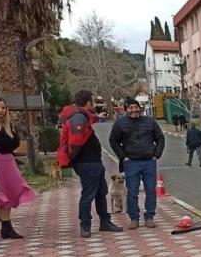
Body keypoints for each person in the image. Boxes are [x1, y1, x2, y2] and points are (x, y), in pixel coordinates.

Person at [63, 90, 123, 238]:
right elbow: (76, 141)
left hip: (93, 162)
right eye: (93, 101)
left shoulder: (81, 115)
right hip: (87, 162)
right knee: (88, 194)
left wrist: (98, 117)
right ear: (88, 102)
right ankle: (85, 225)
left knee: (100, 192)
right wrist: (74, 159)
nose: (94, 104)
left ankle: (105, 222)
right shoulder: (78, 117)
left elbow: (91, 118)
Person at [109, 98, 165, 230]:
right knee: (132, 191)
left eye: (136, 107)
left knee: (151, 190)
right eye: (130, 107)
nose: (134, 110)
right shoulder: (120, 123)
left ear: (140, 108)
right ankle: (134, 218)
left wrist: (156, 154)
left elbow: (160, 138)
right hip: (131, 162)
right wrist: (123, 157)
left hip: (149, 161)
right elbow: (113, 141)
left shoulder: (150, 122)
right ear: (126, 109)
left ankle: (149, 216)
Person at [0, 96, 36, 240]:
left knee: (10, 193)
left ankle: (6, 228)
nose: (0, 110)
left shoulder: (9, 125)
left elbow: (14, 143)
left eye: (3, 108)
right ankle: (5, 227)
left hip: (8, 162)